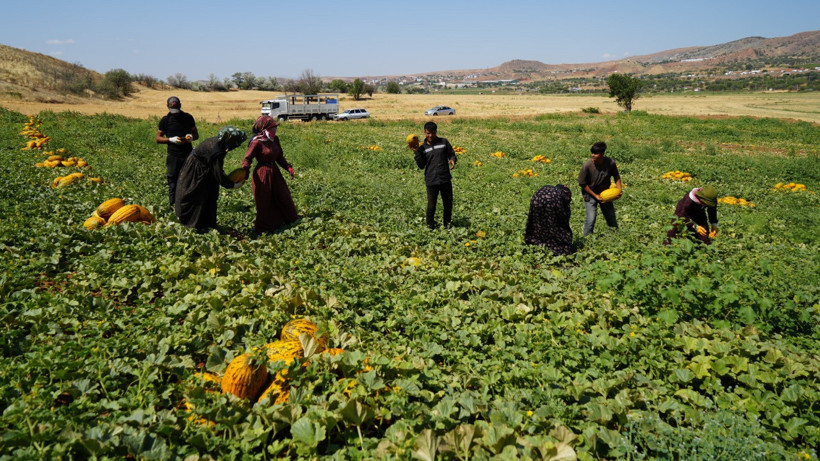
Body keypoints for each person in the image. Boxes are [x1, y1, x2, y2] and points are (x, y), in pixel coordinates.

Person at [175, 126, 247, 232]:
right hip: (195, 170)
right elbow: (218, 173)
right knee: (193, 193)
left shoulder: (220, 142)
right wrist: (232, 185)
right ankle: (192, 225)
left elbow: (217, 168)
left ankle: (207, 224)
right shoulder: (217, 150)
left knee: (210, 194)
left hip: (205, 168)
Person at [241, 116, 299, 233]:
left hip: (275, 172)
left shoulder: (275, 140)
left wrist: (288, 167)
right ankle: (263, 229)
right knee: (264, 201)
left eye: (275, 128)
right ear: (265, 129)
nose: (275, 130)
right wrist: (244, 171)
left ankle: (290, 220)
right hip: (262, 172)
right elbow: (247, 159)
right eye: (272, 128)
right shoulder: (257, 142)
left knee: (284, 196)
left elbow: (279, 157)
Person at [410, 121, 457, 229]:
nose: (430, 136)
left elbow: (451, 153)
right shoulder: (422, 148)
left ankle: (447, 225)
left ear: (436, 132)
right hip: (431, 180)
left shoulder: (443, 142)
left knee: (448, 204)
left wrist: (452, 159)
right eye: (428, 133)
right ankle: (430, 227)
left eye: (432, 133)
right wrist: (416, 152)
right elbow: (421, 165)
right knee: (431, 206)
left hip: (445, 179)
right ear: (424, 132)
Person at [156, 96, 199, 208]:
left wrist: (190, 137)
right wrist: (170, 140)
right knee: (173, 181)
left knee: (188, 180)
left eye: (176, 110)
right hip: (173, 156)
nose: (175, 113)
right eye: (172, 110)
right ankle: (173, 205)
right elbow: (158, 138)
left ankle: (187, 205)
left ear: (180, 106)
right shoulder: (165, 120)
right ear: (167, 107)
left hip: (187, 155)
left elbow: (196, 135)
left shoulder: (188, 118)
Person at [577, 141, 622, 236]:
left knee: (611, 217)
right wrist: (595, 196)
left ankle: (615, 236)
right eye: (592, 152)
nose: (592, 155)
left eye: (595, 153)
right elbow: (582, 183)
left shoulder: (610, 163)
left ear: (602, 154)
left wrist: (619, 191)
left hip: (605, 193)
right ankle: (587, 238)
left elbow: (616, 177)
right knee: (591, 218)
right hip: (590, 195)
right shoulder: (587, 165)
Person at [524, 184, 574, 256]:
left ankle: (538, 243)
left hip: (537, 199)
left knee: (538, 222)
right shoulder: (563, 195)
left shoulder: (548, 189)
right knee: (556, 224)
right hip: (552, 201)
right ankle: (554, 246)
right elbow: (564, 219)